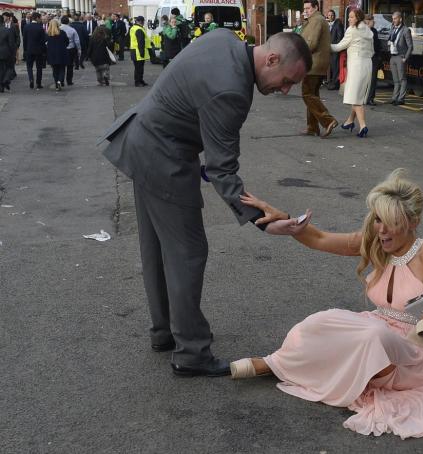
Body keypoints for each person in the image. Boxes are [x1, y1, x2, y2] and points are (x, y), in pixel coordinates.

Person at [99, 30, 312, 377]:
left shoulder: (224, 39)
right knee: (188, 254)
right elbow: (221, 167)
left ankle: (165, 331)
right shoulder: (231, 90)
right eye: (288, 80)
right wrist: (263, 219)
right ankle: (192, 353)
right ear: (272, 59)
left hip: (141, 140)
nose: (285, 90)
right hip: (163, 157)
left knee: (156, 248)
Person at [232, 168, 423, 438]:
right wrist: (285, 220)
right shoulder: (377, 240)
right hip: (378, 327)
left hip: (414, 352)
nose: (381, 230)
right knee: (321, 321)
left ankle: (309, 369)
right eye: (378, 220)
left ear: (413, 221)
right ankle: (273, 363)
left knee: (372, 335)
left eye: (390, 222)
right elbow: (320, 238)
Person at [331, 8, 373, 138]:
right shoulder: (367, 30)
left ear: (358, 18)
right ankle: (350, 121)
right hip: (367, 65)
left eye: (352, 17)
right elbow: (372, 51)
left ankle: (363, 126)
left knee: (355, 99)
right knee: (358, 95)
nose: (349, 19)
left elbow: (339, 46)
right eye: (349, 17)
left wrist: (325, 45)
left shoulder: (352, 30)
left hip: (356, 66)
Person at [300, 0, 338, 137]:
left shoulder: (317, 20)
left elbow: (312, 43)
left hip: (314, 64)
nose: (306, 11)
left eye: (308, 8)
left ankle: (328, 121)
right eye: (304, 8)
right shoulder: (314, 20)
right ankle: (312, 127)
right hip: (317, 63)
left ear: (316, 7)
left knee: (307, 94)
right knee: (313, 96)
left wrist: (298, 50)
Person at [388, 11, 413, 105]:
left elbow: (410, 46)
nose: (393, 20)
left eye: (395, 18)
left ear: (400, 19)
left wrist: (405, 58)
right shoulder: (392, 28)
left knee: (402, 78)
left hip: (400, 56)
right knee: (395, 79)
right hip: (393, 56)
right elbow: (390, 39)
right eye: (393, 19)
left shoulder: (406, 30)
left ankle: (401, 99)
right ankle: (394, 98)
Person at [23, 12, 47, 90]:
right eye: (40, 18)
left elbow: (25, 40)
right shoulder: (40, 28)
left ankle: (31, 79)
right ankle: (38, 83)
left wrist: (25, 50)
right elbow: (43, 41)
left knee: (29, 66)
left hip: (29, 50)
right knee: (39, 67)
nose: (40, 20)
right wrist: (44, 51)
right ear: (37, 18)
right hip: (38, 51)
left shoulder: (26, 27)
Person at [46, 19, 69, 91]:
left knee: (55, 70)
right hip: (62, 53)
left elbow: (46, 44)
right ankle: (60, 81)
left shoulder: (48, 34)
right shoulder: (62, 33)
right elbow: (67, 42)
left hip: (52, 54)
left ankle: (56, 83)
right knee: (62, 68)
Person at [365, 14, 382, 106]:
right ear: (368, 21)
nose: (374, 22)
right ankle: (364, 97)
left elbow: (377, 45)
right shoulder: (363, 31)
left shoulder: (374, 31)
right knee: (365, 79)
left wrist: (379, 57)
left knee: (373, 79)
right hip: (366, 58)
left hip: (374, 58)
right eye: (372, 20)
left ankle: (370, 98)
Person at [59, 16, 80, 86]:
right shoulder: (72, 30)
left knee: (62, 65)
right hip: (71, 49)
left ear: (61, 21)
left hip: (61, 49)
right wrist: (79, 49)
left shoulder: (58, 29)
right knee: (70, 66)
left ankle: (61, 80)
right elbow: (77, 41)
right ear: (68, 22)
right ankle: (69, 80)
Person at [128, 16, 149, 87]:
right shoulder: (139, 29)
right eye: (143, 22)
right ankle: (138, 82)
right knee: (139, 68)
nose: (143, 23)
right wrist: (142, 52)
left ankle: (140, 80)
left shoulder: (133, 28)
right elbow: (141, 42)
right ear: (141, 21)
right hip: (138, 51)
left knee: (138, 68)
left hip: (134, 50)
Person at [325, 9, 343, 91]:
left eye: (332, 15)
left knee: (335, 67)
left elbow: (340, 37)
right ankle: (330, 81)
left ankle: (335, 84)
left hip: (335, 48)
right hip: (328, 48)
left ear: (334, 16)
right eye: (329, 15)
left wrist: (337, 47)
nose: (330, 16)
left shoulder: (338, 24)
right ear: (327, 16)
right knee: (330, 66)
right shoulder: (327, 24)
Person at [0, 13, 16, 93]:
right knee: (9, 67)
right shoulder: (7, 30)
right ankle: (5, 80)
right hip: (6, 52)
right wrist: (13, 54)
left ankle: (2, 85)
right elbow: (11, 44)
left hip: (4, 52)